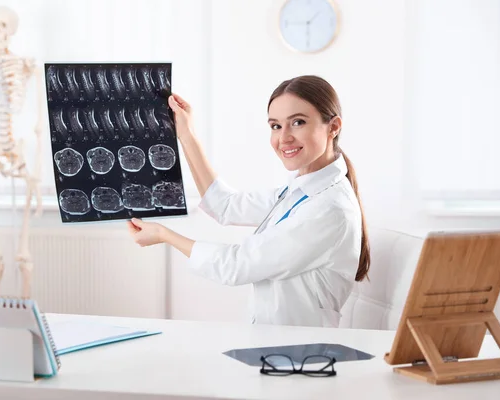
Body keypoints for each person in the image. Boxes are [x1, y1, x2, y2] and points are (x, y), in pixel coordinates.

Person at [126, 75, 370, 328]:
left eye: (297, 122)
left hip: (300, 352)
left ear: (333, 127)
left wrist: (164, 235)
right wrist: (186, 134)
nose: (283, 137)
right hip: (274, 343)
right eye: (275, 126)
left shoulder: (329, 209)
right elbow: (224, 205)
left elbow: (237, 266)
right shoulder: (299, 191)